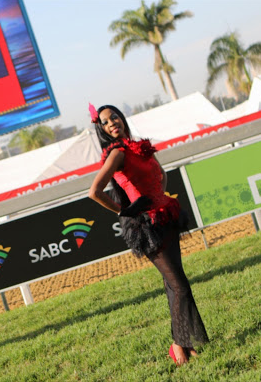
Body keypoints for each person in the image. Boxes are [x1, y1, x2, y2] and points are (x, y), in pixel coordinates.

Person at [87, 104, 209, 366]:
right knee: (180, 285)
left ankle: (185, 344)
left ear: (122, 118)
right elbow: (94, 191)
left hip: (166, 215)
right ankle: (178, 344)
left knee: (173, 284)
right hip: (146, 225)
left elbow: (162, 174)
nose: (112, 124)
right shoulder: (117, 153)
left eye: (115, 118)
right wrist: (126, 210)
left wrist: (159, 196)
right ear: (103, 130)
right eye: (106, 123)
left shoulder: (138, 147)